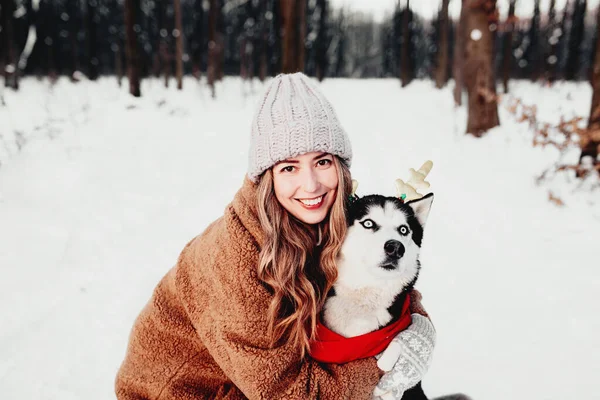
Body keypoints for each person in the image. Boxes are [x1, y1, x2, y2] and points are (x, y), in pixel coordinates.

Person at [115, 72, 435, 400]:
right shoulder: (236, 260)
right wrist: (381, 370)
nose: (311, 185)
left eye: (322, 161)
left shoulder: (323, 215)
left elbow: (376, 277)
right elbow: (286, 394)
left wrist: (415, 323)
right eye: (289, 168)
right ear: (266, 179)